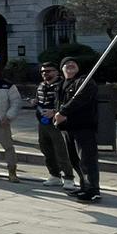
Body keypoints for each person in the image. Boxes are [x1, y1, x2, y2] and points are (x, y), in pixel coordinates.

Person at [54, 57, 101, 202]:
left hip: (83, 127)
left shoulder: (84, 82)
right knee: (74, 159)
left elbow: (79, 99)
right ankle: (84, 186)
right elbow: (59, 103)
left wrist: (63, 112)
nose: (70, 65)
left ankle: (93, 189)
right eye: (66, 64)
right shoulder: (61, 85)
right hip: (68, 128)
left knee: (87, 159)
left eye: (73, 63)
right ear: (62, 70)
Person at [33, 61, 72, 189]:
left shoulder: (62, 86)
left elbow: (68, 103)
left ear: (56, 72)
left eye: (48, 71)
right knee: (46, 150)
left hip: (57, 123)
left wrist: (55, 111)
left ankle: (68, 178)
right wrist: (35, 102)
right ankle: (54, 175)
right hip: (42, 123)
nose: (45, 74)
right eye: (43, 71)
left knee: (61, 151)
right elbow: (40, 101)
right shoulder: (41, 86)